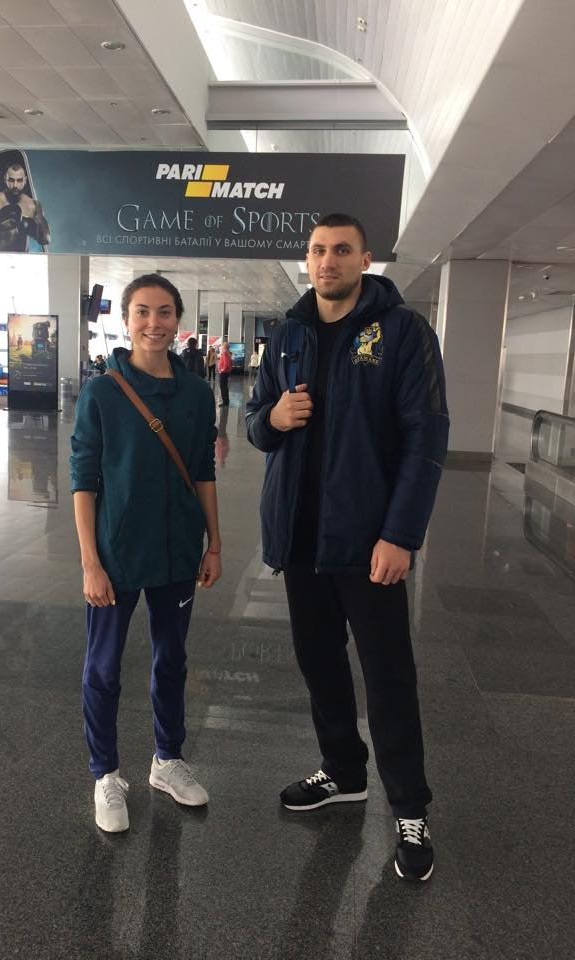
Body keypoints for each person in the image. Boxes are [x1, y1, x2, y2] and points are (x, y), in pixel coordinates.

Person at [246, 213, 449, 883]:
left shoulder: (403, 333)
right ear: (306, 260)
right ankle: (343, 770)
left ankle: (409, 808)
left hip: (369, 541)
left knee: (387, 674)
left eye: (340, 250)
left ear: (365, 259)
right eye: (316, 250)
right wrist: (273, 419)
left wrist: (401, 534)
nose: (326, 261)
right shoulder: (288, 334)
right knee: (319, 661)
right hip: (301, 537)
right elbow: (255, 422)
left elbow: (426, 437)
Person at [71, 273, 222, 834]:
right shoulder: (102, 393)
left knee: (171, 660)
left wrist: (214, 543)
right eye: (142, 312)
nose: (153, 323)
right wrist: (90, 562)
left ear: (177, 319)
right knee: (103, 666)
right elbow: (84, 481)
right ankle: (105, 773)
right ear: (126, 319)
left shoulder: (196, 394)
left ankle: (167, 759)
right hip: (116, 555)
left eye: (163, 312)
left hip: (178, 552)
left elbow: (202, 471)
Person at [0, 162, 50, 253]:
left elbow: (46, 239)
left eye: (19, 180)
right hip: (0, 259)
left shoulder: (33, 205)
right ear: (5, 179)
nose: (15, 185)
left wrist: (32, 228)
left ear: (25, 180)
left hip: (24, 260)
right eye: (11, 180)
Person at [218, 340, 233, 406]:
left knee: (223, 387)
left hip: (224, 373)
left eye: (223, 345)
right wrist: (229, 369)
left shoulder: (225, 352)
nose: (222, 346)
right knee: (225, 386)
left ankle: (225, 401)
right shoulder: (229, 353)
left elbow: (226, 363)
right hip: (227, 372)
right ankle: (226, 401)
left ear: (225, 346)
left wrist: (222, 369)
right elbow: (231, 362)